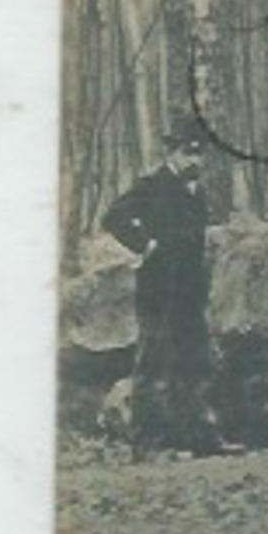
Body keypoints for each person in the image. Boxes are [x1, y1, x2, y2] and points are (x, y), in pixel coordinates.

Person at [101, 114, 244, 461]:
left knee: (195, 365)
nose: (194, 160)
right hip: (158, 292)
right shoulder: (152, 185)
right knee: (153, 366)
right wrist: (144, 244)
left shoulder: (197, 193)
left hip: (189, 295)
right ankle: (148, 445)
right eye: (188, 152)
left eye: (199, 154)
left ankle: (202, 437)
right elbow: (113, 217)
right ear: (173, 152)